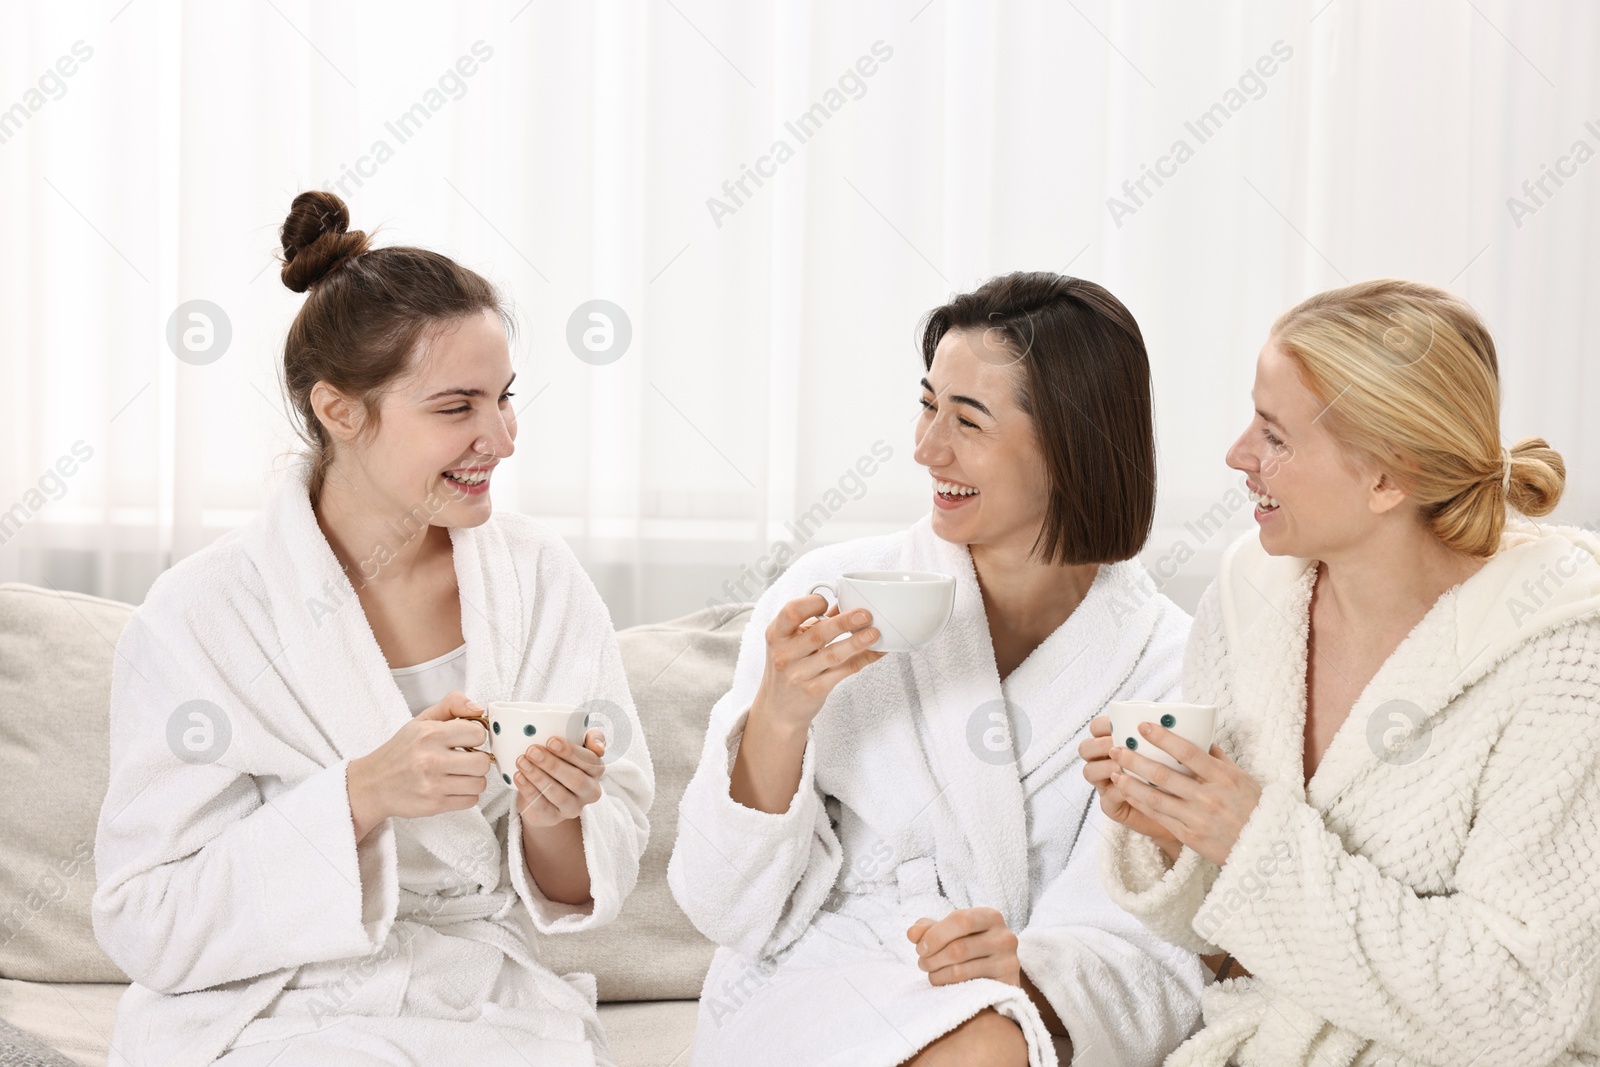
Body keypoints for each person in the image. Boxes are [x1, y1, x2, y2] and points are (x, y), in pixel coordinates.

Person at [92, 191, 653, 1066]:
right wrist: (359, 795)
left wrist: (556, 817)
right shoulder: (201, 615)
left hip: (485, 1002)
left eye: (505, 399)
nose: (500, 438)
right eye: (457, 406)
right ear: (340, 411)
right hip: (276, 1004)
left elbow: (587, 875)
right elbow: (149, 919)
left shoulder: (540, 582)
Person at [669, 272, 1205, 1067]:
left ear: (1072, 440)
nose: (926, 449)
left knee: (990, 1040)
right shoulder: (831, 591)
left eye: (967, 420)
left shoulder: (1166, 661)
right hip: (819, 974)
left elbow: (1146, 937)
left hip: (1002, 992)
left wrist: (1027, 963)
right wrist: (780, 715)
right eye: (927, 407)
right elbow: (726, 904)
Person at [1082, 278, 1600, 1066]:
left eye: (1275, 435)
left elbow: (1516, 999)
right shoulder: (1252, 594)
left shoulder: (1560, 652)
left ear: (1388, 479)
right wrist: (1172, 827)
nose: (1237, 455)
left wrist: (1251, 835)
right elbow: (1224, 937)